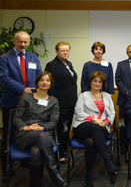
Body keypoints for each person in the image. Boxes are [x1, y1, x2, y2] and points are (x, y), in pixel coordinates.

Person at [13, 71, 68, 187]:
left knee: (36, 151)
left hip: (44, 132)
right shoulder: (26, 98)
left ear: (50, 84)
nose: (44, 82)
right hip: (25, 133)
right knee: (40, 136)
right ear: (37, 82)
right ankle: (56, 177)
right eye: (42, 80)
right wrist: (26, 127)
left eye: (47, 80)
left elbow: (53, 121)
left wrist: (42, 127)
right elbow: (17, 117)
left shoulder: (53, 101)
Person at [0, 31, 42, 175]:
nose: (23, 44)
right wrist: (22, 90)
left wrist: (31, 91)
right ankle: (7, 166)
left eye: (25, 42)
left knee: (28, 131)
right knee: (9, 134)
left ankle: (25, 161)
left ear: (29, 42)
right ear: (14, 41)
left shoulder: (33, 57)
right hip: (10, 102)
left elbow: (39, 76)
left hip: (29, 103)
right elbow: (3, 78)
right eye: (20, 41)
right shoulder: (4, 58)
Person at [72, 71, 117, 187]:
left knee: (90, 142)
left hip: (102, 127)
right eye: (95, 81)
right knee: (93, 127)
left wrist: (106, 122)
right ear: (90, 82)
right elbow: (79, 112)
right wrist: (95, 120)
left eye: (100, 82)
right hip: (83, 125)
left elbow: (112, 112)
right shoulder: (83, 95)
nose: (97, 83)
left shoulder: (107, 96)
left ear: (103, 84)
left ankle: (89, 175)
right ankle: (108, 162)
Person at [45, 42, 77, 164]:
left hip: (70, 102)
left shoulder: (68, 64)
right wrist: (53, 103)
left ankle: (64, 150)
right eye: (62, 50)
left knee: (66, 128)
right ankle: (59, 153)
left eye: (67, 50)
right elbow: (50, 86)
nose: (65, 53)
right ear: (56, 51)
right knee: (60, 129)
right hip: (59, 103)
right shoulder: (52, 65)